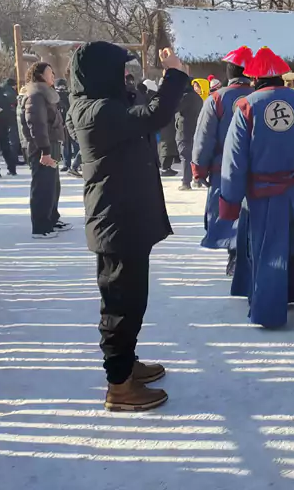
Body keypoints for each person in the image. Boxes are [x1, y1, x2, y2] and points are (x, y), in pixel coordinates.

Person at [68, 42, 189, 412]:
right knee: (120, 304)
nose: (125, 77)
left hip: (124, 218)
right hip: (116, 221)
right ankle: (118, 384)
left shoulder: (103, 104)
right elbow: (153, 116)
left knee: (132, 300)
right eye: (119, 71)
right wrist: (175, 75)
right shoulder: (98, 111)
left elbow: (140, 108)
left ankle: (127, 363)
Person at [220, 46, 294, 328]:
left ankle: (271, 307)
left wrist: (230, 201)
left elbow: (234, 160)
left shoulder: (246, 106)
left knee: (269, 249)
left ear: (254, 79)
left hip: (263, 194)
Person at [192, 46, 254, 291]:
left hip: (223, 170)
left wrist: (199, 168)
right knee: (252, 213)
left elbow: (204, 138)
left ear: (229, 72)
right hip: (256, 170)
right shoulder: (259, 97)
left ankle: (234, 256)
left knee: (228, 211)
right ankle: (247, 254)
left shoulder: (216, 99)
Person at [20, 63, 69, 239]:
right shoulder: (35, 96)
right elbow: (37, 125)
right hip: (42, 147)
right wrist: (45, 150)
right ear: (40, 75)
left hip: (51, 143)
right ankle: (40, 226)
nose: (53, 75)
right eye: (50, 73)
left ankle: (51, 218)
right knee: (42, 186)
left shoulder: (46, 94)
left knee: (53, 184)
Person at [175, 80, 203, 191]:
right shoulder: (197, 97)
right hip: (196, 128)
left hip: (184, 129)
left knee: (185, 155)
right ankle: (198, 179)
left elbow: (175, 108)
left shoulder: (185, 97)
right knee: (195, 155)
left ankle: (186, 182)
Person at [57, 78, 79, 173]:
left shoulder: (69, 96)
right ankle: (67, 164)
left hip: (70, 122)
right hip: (65, 123)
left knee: (74, 144)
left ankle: (75, 163)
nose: (62, 89)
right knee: (66, 145)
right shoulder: (57, 97)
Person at [3, 78, 23, 164]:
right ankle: (13, 160)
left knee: (9, 141)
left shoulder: (3, 91)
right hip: (11, 119)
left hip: (4, 120)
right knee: (14, 141)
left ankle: (11, 159)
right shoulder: (11, 94)